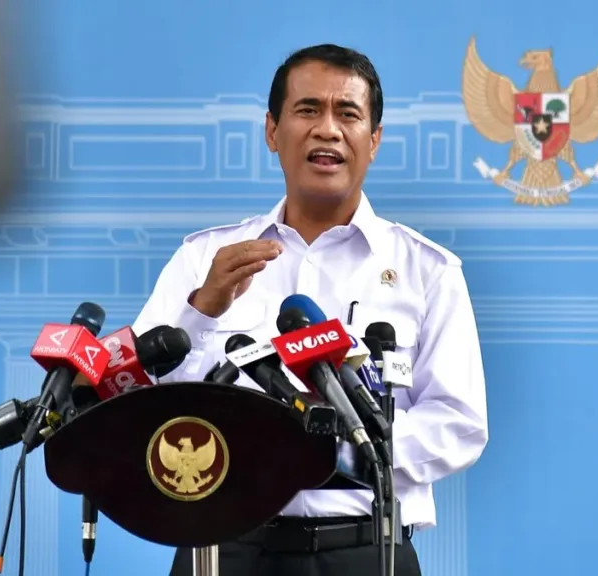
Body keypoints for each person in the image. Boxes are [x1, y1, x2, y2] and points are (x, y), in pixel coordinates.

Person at [132, 43, 489, 576]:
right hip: (223, 548)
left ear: (374, 139)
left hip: (365, 548)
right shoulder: (204, 259)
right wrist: (202, 311)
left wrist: (340, 452)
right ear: (272, 131)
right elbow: (142, 401)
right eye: (307, 110)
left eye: (347, 113)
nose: (327, 130)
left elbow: (459, 421)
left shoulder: (426, 270)